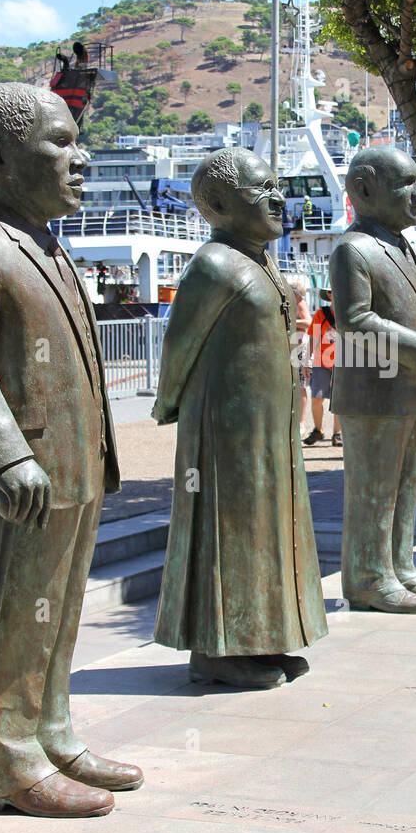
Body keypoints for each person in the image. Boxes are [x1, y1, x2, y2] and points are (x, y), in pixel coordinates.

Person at [0, 83, 139, 818]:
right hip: (17, 478)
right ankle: (2, 762)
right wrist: (8, 457)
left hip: (74, 467)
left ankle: (50, 731)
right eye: (60, 144)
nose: (79, 161)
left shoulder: (45, 245)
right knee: (15, 619)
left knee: (57, 614)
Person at [152, 148, 327, 690]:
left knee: (268, 527)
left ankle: (259, 635)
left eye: (277, 185)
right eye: (262, 189)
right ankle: (215, 651)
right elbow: (179, 345)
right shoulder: (214, 265)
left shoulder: (261, 261)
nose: (279, 198)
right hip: (225, 430)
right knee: (228, 529)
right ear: (223, 204)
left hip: (269, 426)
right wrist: (169, 404)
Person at [329, 146, 416, 614]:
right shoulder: (354, 248)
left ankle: (399, 566)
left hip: (412, 387)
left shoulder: (400, 244)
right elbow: (355, 320)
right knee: (375, 490)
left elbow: (412, 311)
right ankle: (368, 577)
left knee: (407, 484)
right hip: (374, 392)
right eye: (407, 182)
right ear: (365, 188)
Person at [304, 289, 342, 446]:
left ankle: (337, 434)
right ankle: (318, 430)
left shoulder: (348, 314)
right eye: (332, 291)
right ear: (329, 295)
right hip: (321, 362)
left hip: (342, 364)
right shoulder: (321, 313)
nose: (335, 293)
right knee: (316, 398)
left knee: (338, 400)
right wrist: (307, 361)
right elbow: (313, 338)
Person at [288, 274, 312, 435]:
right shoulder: (294, 305)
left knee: (300, 386)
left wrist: (290, 322)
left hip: (299, 348)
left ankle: (302, 423)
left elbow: (309, 322)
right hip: (294, 348)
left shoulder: (300, 304)